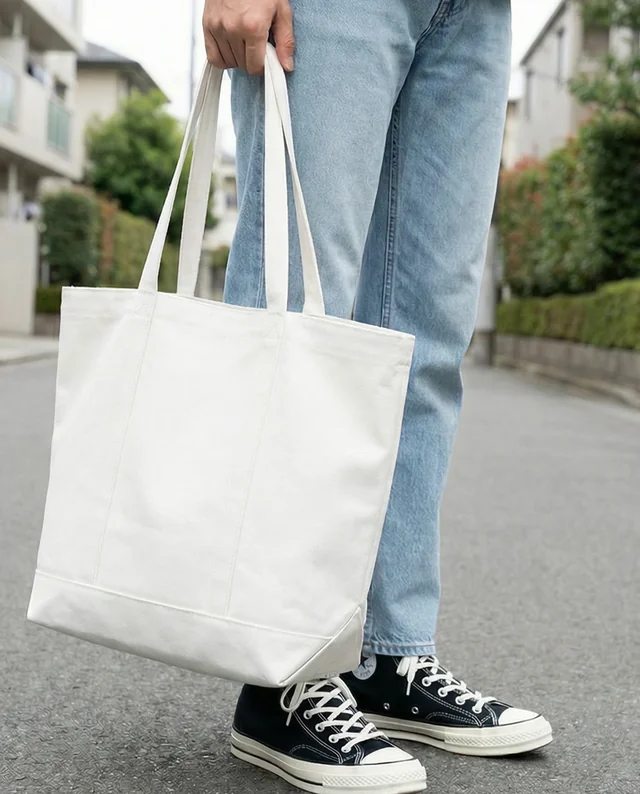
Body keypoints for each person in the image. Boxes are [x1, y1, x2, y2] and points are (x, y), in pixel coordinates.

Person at [203, 1, 553, 791]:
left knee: (425, 340)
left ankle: (385, 657)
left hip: (476, 12)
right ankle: (283, 670)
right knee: (296, 316)